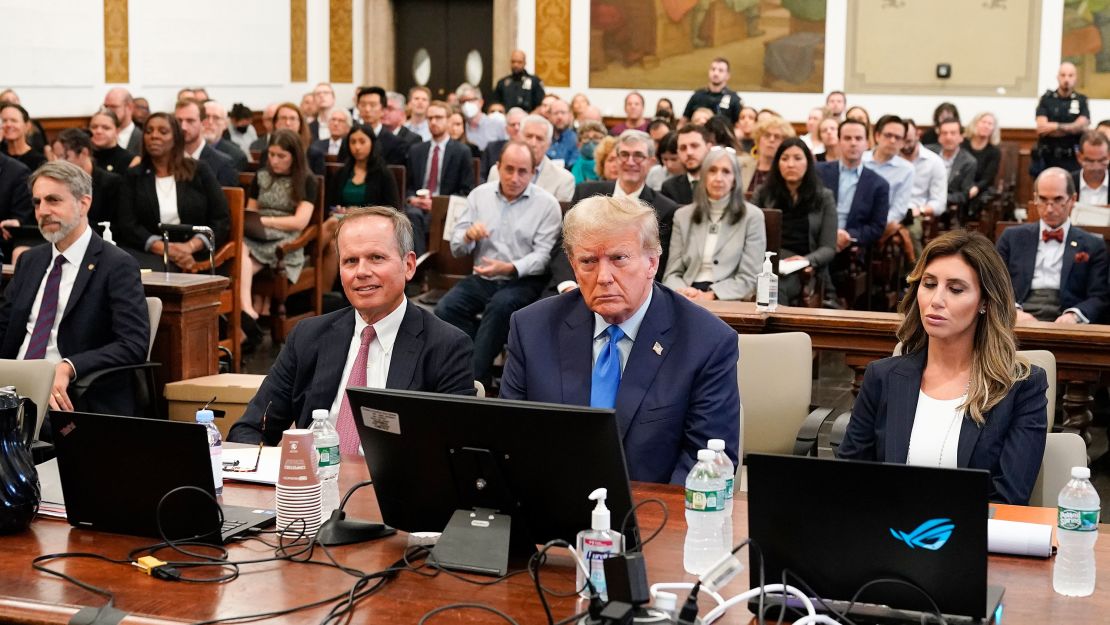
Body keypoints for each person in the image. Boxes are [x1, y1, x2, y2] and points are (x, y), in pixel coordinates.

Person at [499, 195, 740, 484]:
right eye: (588, 261)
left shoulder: (707, 342)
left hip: (653, 517)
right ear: (574, 268)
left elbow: (706, 461)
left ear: (652, 262)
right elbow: (511, 442)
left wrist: (641, 523)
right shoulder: (532, 329)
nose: (603, 277)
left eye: (618, 259)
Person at [227, 206, 476, 448]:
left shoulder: (446, 347)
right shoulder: (308, 337)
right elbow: (250, 429)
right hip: (314, 485)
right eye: (350, 261)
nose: (361, 272)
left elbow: (457, 454)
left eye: (376, 258)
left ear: (409, 265)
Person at [838, 230, 1048, 505]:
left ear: (985, 301)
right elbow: (848, 479)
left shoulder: (1022, 386)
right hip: (887, 535)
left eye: (955, 289)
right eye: (928, 284)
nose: (936, 300)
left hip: (974, 540)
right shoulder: (882, 376)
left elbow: (1008, 500)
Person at [0, 161, 149, 416]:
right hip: (13, 387)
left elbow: (133, 343)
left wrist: (69, 366)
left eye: (53, 200)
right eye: (37, 202)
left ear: (84, 204)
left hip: (70, 395)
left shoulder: (116, 265)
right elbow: (5, 325)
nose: (43, 211)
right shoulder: (30, 260)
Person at [435, 141, 561, 388]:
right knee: (445, 309)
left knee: (500, 308)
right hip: (484, 276)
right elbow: (456, 246)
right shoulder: (479, 195)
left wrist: (510, 267)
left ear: (533, 172)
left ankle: (468, 382)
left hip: (523, 280)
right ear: (498, 167)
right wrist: (469, 236)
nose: (514, 178)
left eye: (522, 171)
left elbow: (544, 257)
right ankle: (478, 371)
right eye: (509, 169)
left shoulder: (547, 205)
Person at [549, 130, 680, 293]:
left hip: (627, 293)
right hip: (573, 285)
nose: (630, 162)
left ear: (651, 162)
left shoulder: (665, 209)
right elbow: (564, 245)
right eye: (624, 154)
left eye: (638, 155)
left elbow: (654, 265)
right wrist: (569, 286)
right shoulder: (586, 193)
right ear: (616, 159)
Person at [115, 113, 230, 272]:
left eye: (163, 131)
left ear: (176, 137)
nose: (154, 136)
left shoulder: (198, 171)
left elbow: (221, 220)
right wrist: (164, 248)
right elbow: (128, 224)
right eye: (148, 131)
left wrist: (190, 247)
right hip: (149, 252)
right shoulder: (134, 175)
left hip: (196, 253)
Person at [239, 129, 320, 349]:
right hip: (258, 234)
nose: (275, 160)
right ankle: (247, 309)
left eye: (281, 156)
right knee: (240, 251)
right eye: (272, 154)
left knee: (244, 258)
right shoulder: (262, 176)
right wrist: (258, 223)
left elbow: (299, 222)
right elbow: (250, 211)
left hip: (287, 238)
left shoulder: (306, 180)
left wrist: (266, 221)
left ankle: (246, 316)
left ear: (294, 156)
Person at [996, 167, 1109, 324]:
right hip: (1019, 313)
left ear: (1073, 199)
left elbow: (1100, 296)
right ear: (1035, 198)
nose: (1049, 209)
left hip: (1067, 316)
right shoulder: (1011, 237)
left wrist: (1074, 315)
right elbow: (993, 284)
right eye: (1043, 199)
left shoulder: (1093, 244)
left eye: (1057, 200)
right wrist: (1013, 311)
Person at [664, 147, 766, 301]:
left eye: (726, 172)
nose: (719, 178)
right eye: (712, 170)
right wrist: (684, 293)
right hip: (686, 295)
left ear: (735, 180)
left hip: (727, 298)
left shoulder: (752, 217)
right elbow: (672, 273)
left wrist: (710, 296)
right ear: (703, 177)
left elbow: (749, 278)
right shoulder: (682, 216)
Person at [753, 138, 837, 305]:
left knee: (774, 285)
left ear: (808, 162)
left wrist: (806, 260)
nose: (791, 164)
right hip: (766, 262)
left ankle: (777, 330)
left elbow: (828, 247)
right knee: (761, 280)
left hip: (802, 267)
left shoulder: (823, 197)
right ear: (777, 163)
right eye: (785, 159)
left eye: (797, 158)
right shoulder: (763, 194)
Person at [405, 100, 477, 255]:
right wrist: (411, 198)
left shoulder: (461, 151)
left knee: (428, 218)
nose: (433, 122)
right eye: (430, 118)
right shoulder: (417, 150)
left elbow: (466, 190)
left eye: (438, 117)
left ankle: (421, 265)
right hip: (417, 206)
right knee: (412, 215)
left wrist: (437, 203)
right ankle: (421, 264)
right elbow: (408, 185)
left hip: (445, 206)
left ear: (449, 120)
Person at [816, 119, 890, 251]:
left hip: (853, 247)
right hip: (817, 241)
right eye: (847, 138)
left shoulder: (879, 184)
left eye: (858, 138)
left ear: (867, 143)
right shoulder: (819, 172)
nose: (853, 143)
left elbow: (877, 227)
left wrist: (847, 236)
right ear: (839, 141)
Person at [487, 115, 575, 202]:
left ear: (548, 144)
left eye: (539, 139)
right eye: (529, 136)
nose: (533, 143)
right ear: (518, 138)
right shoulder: (496, 171)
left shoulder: (564, 179)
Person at [51, 128, 123, 233]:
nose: (58, 163)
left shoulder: (112, 183)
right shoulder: (56, 183)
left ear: (84, 153)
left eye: (63, 157)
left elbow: (117, 226)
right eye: (56, 157)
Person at [900, 119, 948, 252]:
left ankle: (916, 270)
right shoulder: (891, 159)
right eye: (901, 141)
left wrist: (920, 210)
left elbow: (939, 202)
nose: (904, 146)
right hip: (889, 211)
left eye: (908, 141)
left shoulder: (934, 162)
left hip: (916, 212)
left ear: (917, 134)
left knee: (911, 232)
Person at [1035, 63, 1089, 174]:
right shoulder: (1046, 99)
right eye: (1063, 75)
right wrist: (1072, 128)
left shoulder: (1081, 100)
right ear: (1057, 77)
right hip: (1048, 158)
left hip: (1073, 160)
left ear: (1076, 78)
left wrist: (1055, 126)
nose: (1066, 79)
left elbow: (1082, 126)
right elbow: (1042, 128)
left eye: (1070, 75)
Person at [862, 114, 914, 224]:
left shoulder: (906, 170)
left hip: (883, 225)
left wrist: (875, 227)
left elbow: (898, 211)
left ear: (903, 143)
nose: (892, 141)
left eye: (898, 137)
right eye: (888, 135)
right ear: (877, 136)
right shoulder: (860, 160)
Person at [174, 99, 237, 187]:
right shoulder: (166, 159)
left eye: (190, 121)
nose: (183, 127)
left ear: (203, 123)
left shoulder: (223, 164)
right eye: (179, 121)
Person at [926, 119, 978, 218]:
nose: (948, 137)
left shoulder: (969, 162)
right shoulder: (928, 153)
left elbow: (964, 195)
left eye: (953, 133)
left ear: (961, 137)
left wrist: (939, 200)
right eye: (944, 133)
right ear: (939, 137)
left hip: (948, 210)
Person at [355, 86, 410, 167]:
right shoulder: (349, 138)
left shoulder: (396, 144)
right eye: (363, 105)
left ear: (383, 109)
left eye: (372, 105)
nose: (367, 109)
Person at [661, 124, 712, 205]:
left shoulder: (722, 181)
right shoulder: (670, 188)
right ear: (678, 153)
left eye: (694, 146)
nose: (689, 152)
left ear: (708, 147)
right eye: (683, 148)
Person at [682, 57, 742, 124]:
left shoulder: (734, 99)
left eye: (720, 70)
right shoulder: (697, 95)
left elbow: (738, 125)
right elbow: (684, 120)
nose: (716, 73)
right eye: (713, 69)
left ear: (727, 75)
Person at [963, 112, 1001, 217]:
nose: (986, 126)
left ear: (993, 129)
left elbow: (988, 177)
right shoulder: (963, 145)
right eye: (983, 122)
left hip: (982, 188)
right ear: (975, 124)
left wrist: (976, 188)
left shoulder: (994, 151)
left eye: (990, 124)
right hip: (962, 184)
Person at [749, 116, 795, 195]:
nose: (771, 140)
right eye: (767, 135)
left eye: (777, 137)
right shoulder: (742, 165)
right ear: (758, 139)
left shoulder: (788, 169)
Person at [456, 83, 507, 152]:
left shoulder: (497, 124)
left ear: (481, 102)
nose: (466, 104)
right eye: (463, 101)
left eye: (470, 100)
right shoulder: (459, 126)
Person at [202, 101, 249, 173]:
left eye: (216, 118)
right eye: (205, 117)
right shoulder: (186, 149)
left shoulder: (236, 156)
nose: (210, 122)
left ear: (225, 124)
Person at [481, 107, 525, 183]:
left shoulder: (532, 150)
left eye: (520, 124)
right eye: (512, 124)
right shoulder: (491, 148)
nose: (516, 128)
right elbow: (481, 176)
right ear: (506, 128)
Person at [88, 109, 139, 175]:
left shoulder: (130, 160)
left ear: (117, 131)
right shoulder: (83, 156)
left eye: (106, 128)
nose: (98, 131)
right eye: (94, 127)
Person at [0, 104, 46, 172]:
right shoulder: (1, 155)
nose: (8, 125)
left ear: (27, 126)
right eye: (4, 121)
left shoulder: (39, 160)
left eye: (13, 120)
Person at [1073, 131, 1110, 206]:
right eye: (1090, 161)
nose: (1096, 167)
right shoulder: (1066, 184)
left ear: (1109, 156)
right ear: (1079, 157)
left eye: (1102, 160)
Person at [102, 88, 143, 154]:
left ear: (130, 107)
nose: (108, 111)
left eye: (113, 107)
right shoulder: (97, 136)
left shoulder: (142, 138)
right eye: (106, 106)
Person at [545, 98, 578, 167]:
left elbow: (573, 166)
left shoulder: (576, 140)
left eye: (563, 113)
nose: (559, 117)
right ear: (549, 116)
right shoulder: (542, 138)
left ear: (570, 115)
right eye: (556, 113)